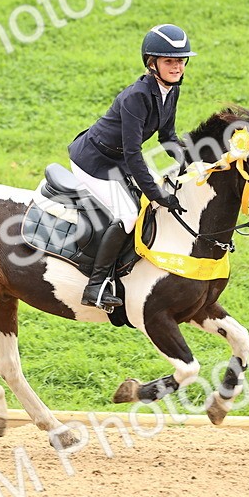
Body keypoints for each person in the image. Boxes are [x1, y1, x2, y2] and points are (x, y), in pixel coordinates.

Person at [67, 23, 195, 310]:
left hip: (119, 159)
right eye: (169, 61)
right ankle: (96, 286)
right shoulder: (136, 96)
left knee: (157, 195)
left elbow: (168, 137)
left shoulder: (171, 90)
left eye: (181, 61)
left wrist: (193, 161)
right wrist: (157, 194)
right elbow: (134, 152)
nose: (177, 67)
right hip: (94, 161)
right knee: (128, 215)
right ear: (152, 64)